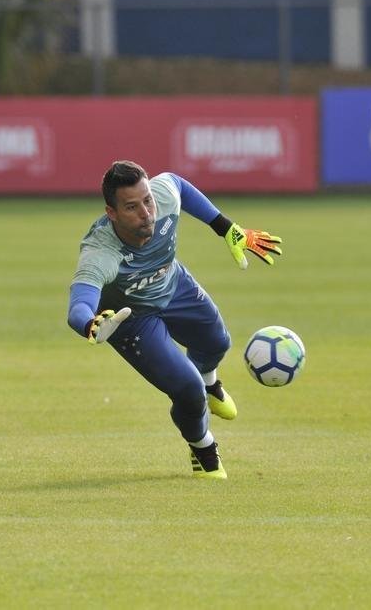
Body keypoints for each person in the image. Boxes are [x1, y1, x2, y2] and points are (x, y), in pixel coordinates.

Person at [66, 161, 283, 479]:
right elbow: (78, 305)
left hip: (172, 284)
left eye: (147, 200)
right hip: (132, 319)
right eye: (131, 207)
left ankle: (210, 384)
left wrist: (226, 228)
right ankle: (202, 446)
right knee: (188, 391)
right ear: (112, 213)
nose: (146, 213)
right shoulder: (101, 252)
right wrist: (91, 324)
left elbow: (177, 183)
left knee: (217, 342)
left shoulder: (163, 196)